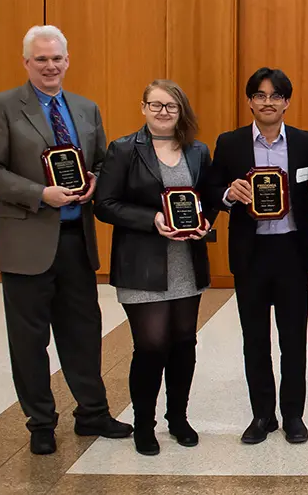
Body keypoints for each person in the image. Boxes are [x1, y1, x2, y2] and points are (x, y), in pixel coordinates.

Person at [0, 25, 131, 455]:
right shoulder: (3, 107)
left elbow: (99, 161)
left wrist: (96, 179)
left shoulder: (85, 108)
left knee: (83, 330)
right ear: (27, 63)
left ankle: (92, 413)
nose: (50, 66)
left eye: (57, 58)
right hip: (27, 241)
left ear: (68, 59)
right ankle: (40, 420)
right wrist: (40, 193)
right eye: (41, 59)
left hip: (76, 239)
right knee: (29, 339)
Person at [95, 80, 214, 455]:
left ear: (181, 111)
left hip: (186, 264)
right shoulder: (124, 149)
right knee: (150, 346)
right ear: (143, 107)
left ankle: (177, 419)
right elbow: (105, 203)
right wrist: (152, 219)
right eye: (156, 105)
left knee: (183, 343)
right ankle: (144, 424)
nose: (164, 112)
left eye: (171, 106)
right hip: (142, 265)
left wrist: (206, 220)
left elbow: (207, 200)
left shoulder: (197, 151)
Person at [206, 68, 308, 445]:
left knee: (293, 338)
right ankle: (262, 415)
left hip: (290, 251)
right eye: (259, 95)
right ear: (250, 101)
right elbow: (210, 191)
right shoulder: (230, 142)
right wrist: (228, 193)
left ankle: (293, 415)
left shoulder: (306, 142)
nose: (267, 102)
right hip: (250, 254)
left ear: (287, 101)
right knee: (254, 338)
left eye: (275, 95)